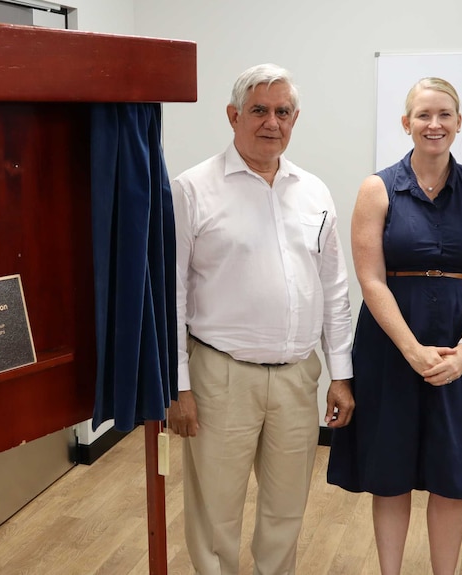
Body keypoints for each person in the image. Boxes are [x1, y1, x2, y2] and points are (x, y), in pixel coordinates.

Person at [166, 63, 355, 575]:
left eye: (283, 112)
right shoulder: (192, 189)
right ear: (233, 116)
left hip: (298, 377)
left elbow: (334, 289)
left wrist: (341, 373)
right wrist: (177, 385)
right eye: (259, 111)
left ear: (295, 119)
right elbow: (172, 295)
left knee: (285, 508)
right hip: (220, 377)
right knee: (215, 513)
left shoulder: (314, 191)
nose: (272, 122)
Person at [327, 77, 462, 575]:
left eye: (445, 115)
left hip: (461, 349)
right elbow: (371, 278)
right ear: (406, 124)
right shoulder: (378, 187)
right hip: (390, 346)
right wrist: (410, 349)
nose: (435, 124)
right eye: (424, 115)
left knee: (453, 473)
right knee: (391, 471)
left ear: (458, 123)